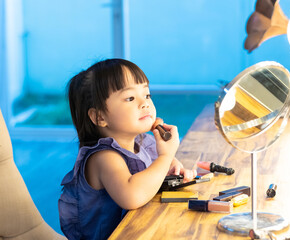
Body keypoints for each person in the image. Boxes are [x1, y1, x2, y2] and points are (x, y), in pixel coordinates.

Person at [58, 59, 197, 240]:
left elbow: (157, 169)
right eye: (130, 98)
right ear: (100, 117)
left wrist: (172, 166)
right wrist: (165, 155)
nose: (145, 103)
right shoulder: (103, 158)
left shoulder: (142, 142)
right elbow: (132, 195)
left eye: (147, 95)